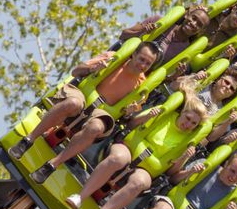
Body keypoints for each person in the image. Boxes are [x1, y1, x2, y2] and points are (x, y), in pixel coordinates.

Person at [9, 42, 162, 183]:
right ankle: (27, 140)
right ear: (134, 54)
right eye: (141, 59)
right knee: (73, 103)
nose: (143, 65)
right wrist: (92, 69)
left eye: (148, 64)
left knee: (96, 127)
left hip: (102, 112)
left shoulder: (142, 87)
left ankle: (52, 165)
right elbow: (76, 71)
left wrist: (128, 112)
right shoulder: (113, 59)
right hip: (83, 96)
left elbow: (127, 120)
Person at [65, 83, 212, 209]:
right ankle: (80, 196)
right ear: (182, 113)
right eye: (187, 118)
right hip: (130, 148)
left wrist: (183, 158)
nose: (188, 124)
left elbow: (171, 173)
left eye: (193, 123)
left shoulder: (188, 142)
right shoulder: (165, 114)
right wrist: (147, 116)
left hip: (148, 168)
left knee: (139, 183)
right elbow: (132, 124)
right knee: (118, 159)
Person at [120, 5, 212, 70]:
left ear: (201, 31)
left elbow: (164, 77)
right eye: (194, 18)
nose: (193, 23)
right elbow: (124, 34)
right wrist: (143, 31)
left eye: (199, 25)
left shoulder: (186, 50)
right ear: (187, 15)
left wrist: (175, 74)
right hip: (123, 64)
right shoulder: (159, 22)